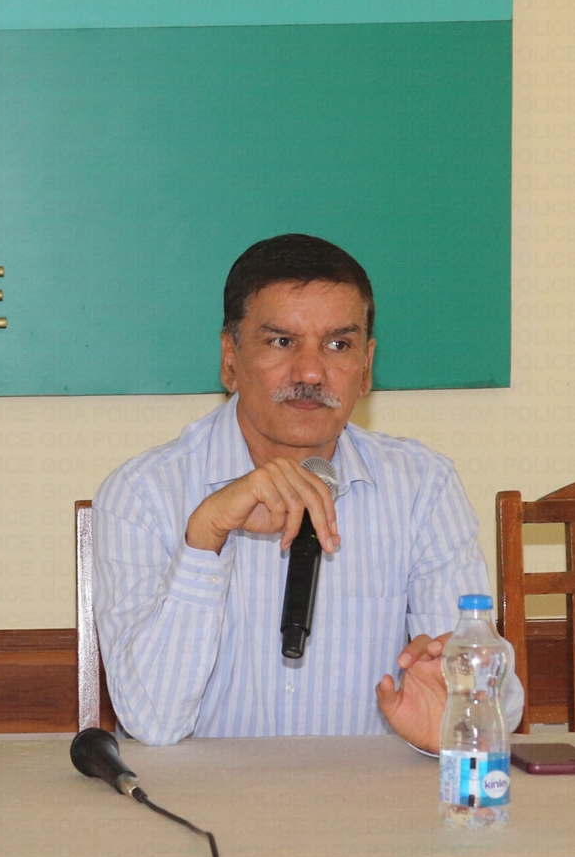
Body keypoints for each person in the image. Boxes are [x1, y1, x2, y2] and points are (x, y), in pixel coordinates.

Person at [93, 233, 523, 747]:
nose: (312, 372)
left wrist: (462, 704)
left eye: (338, 345)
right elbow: (152, 723)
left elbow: (492, 701)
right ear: (229, 359)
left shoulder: (422, 488)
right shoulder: (142, 496)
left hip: (369, 793)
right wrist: (205, 537)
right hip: (206, 796)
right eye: (281, 342)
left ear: (366, 368)